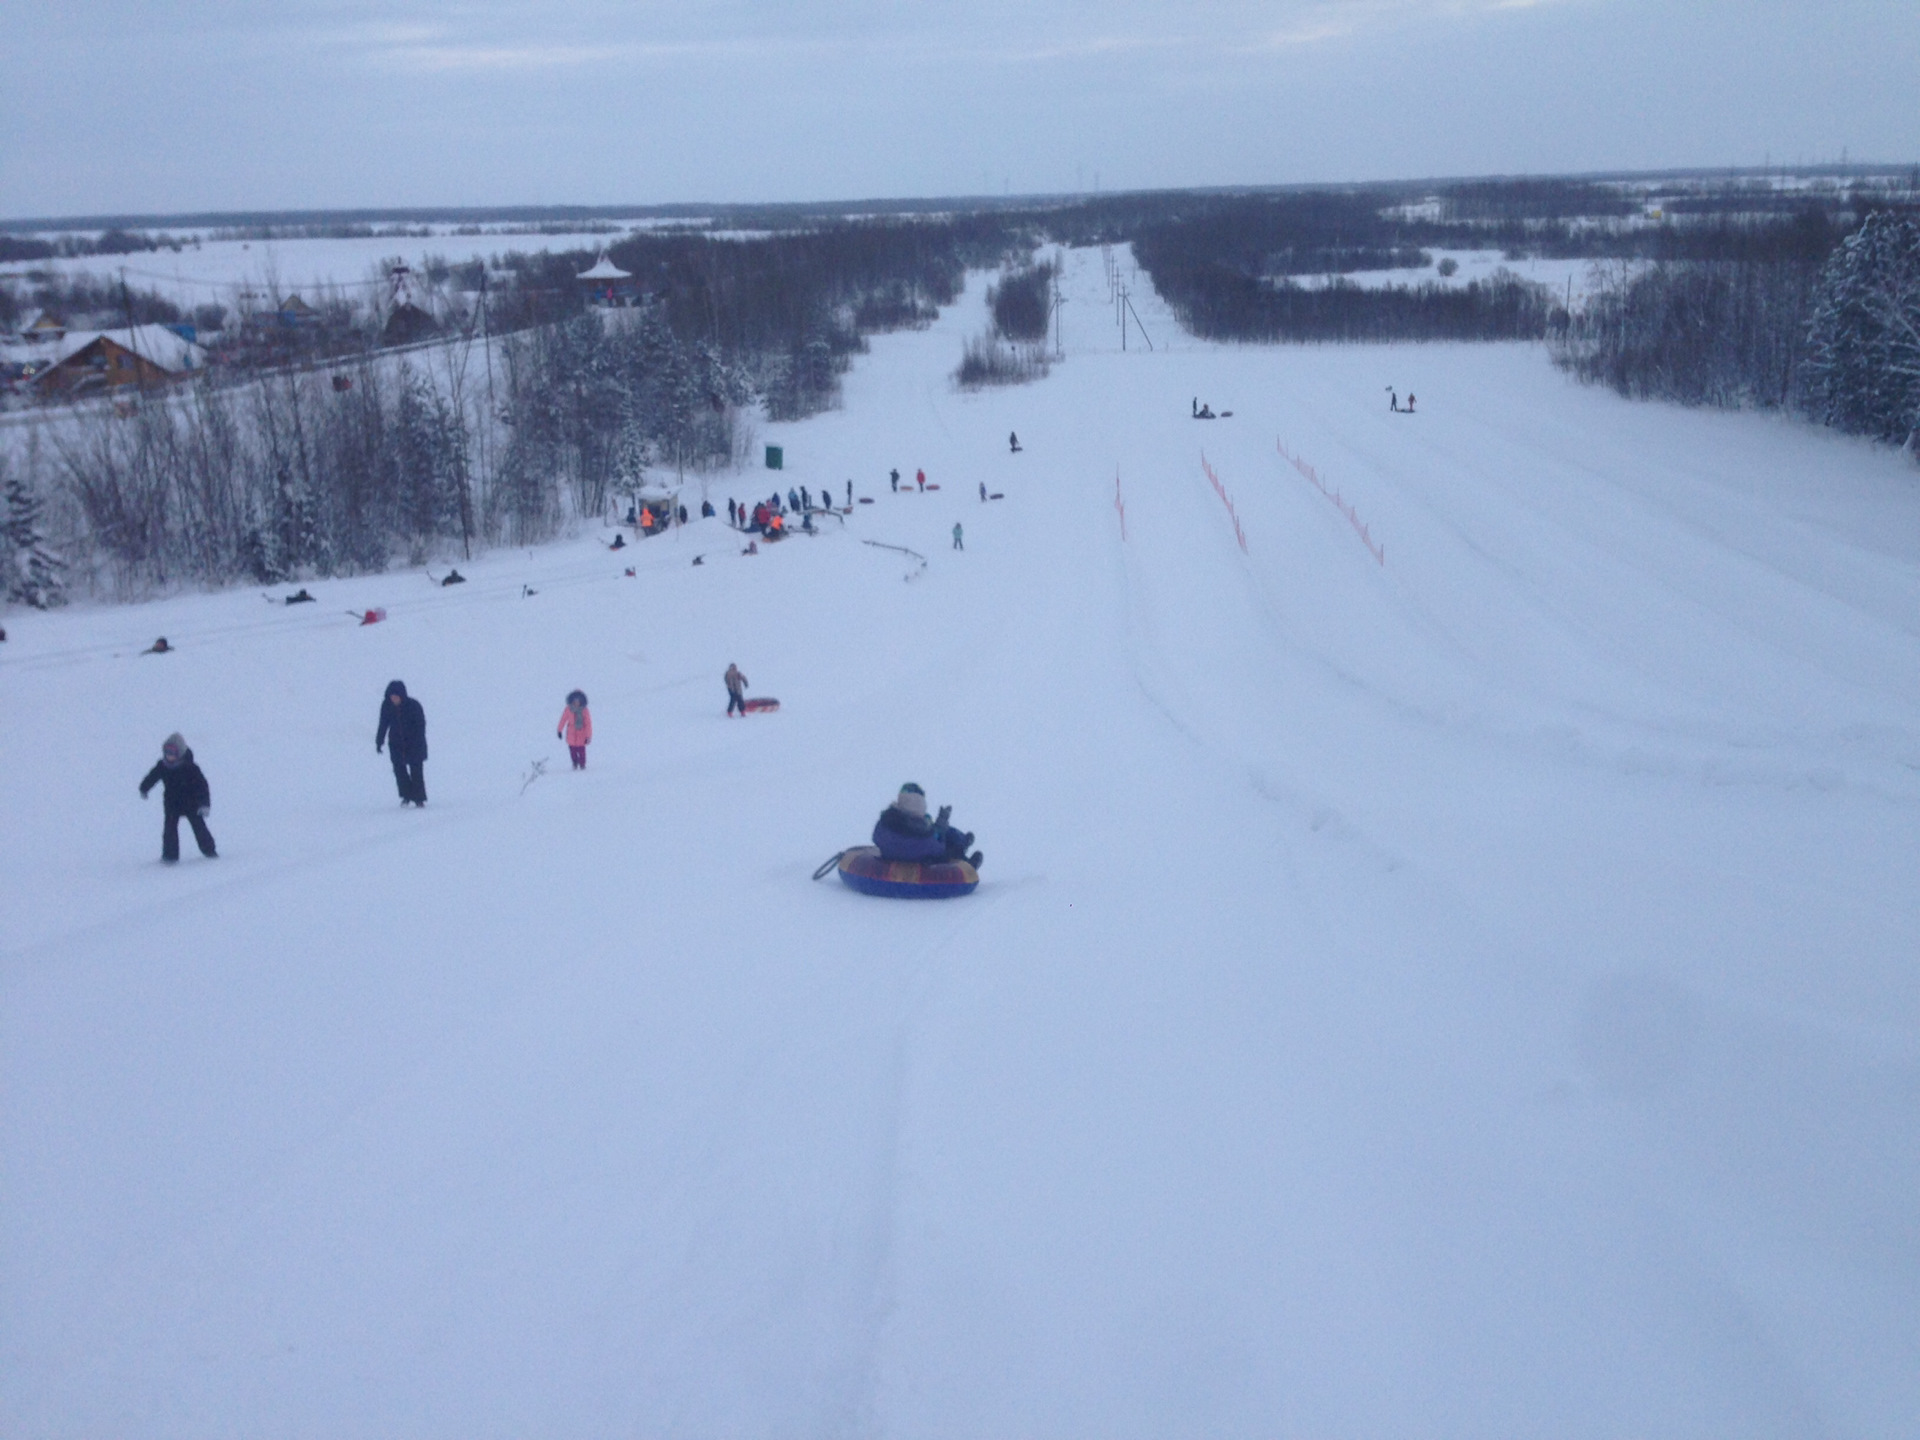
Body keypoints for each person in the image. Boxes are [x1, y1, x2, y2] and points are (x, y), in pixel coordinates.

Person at [139, 732, 216, 863]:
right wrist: (144, 788)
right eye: (167, 752)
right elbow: (152, 777)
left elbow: (202, 786)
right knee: (169, 829)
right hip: (172, 803)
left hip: (191, 803)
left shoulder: (191, 768)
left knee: (199, 826)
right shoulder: (162, 766)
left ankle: (209, 850)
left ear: (179, 753)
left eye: (172, 753)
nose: (169, 756)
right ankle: (170, 856)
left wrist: (204, 804)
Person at [872, 783, 980, 867]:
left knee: (938, 830)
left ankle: (963, 841)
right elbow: (938, 848)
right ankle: (964, 855)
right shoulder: (923, 834)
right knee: (946, 840)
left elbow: (876, 838)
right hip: (918, 859)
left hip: (892, 854)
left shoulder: (885, 824)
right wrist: (941, 826)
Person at [376, 679, 428, 806]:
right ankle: (406, 796)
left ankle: (419, 799)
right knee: (400, 772)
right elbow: (383, 723)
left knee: (416, 772)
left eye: (396, 696)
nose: (394, 699)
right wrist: (379, 740)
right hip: (396, 744)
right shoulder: (386, 706)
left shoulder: (414, 706)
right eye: (391, 697)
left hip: (414, 743)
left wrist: (416, 740)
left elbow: (421, 725)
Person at [556, 689, 592, 769]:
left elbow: (588, 724)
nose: (576, 703)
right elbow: (563, 719)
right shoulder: (568, 710)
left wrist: (588, 736)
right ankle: (575, 763)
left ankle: (582, 764)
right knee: (572, 751)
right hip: (571, 734)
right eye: (575, 701)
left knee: (581, 751)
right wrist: (559, 730)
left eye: (578, 701)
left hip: (581, 734)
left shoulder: (585, 711)